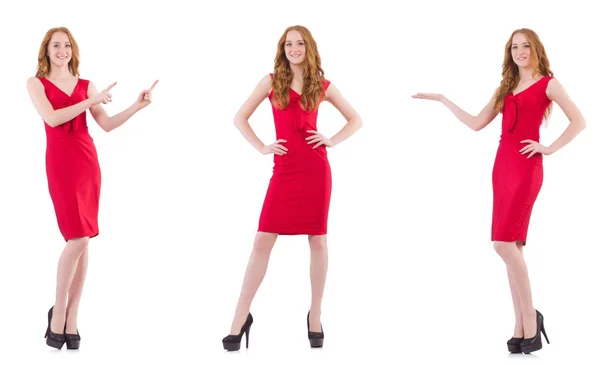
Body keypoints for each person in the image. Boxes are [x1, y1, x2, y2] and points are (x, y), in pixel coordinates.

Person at [412, 28, 586, 354]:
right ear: (510, 53)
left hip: (526, 169)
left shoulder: (549, 83)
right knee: (512, 247)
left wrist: (548, 148)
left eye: (526, 46)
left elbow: (579, 121)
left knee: (502, 243)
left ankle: (531, 318)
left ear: (536, 50)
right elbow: (477, 122)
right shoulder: (506, 87)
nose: (520, 52)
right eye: (515, 47)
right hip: (501, 170)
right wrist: (443, 99)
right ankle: (520, 326)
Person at [222, 25, 363, 351]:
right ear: (282, 48)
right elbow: (239, 117)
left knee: (318, 240)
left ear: (309, 48)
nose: (294, 48)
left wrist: (331, 140)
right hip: (284, 171)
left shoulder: (322, 85)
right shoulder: (271, 81)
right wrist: (261, 147)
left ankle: (315, 314)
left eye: (300, 43)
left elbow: (356, 119)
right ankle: (239, 317)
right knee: (262, 240)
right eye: (289, 44)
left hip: (315, 170)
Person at [26, 27, 158, 350]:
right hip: (60, 164)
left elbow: (107, 124)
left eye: (66, 45)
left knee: (84, 239)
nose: (62, 50)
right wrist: (90, 100)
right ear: (46, 51)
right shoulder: (36, 84)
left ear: (73, 50)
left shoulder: (87, 86)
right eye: (56, 45)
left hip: (87, 164)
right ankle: (58, 312)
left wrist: (136, 106)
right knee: (78, 237)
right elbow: (53, 118)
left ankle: (71, 317)